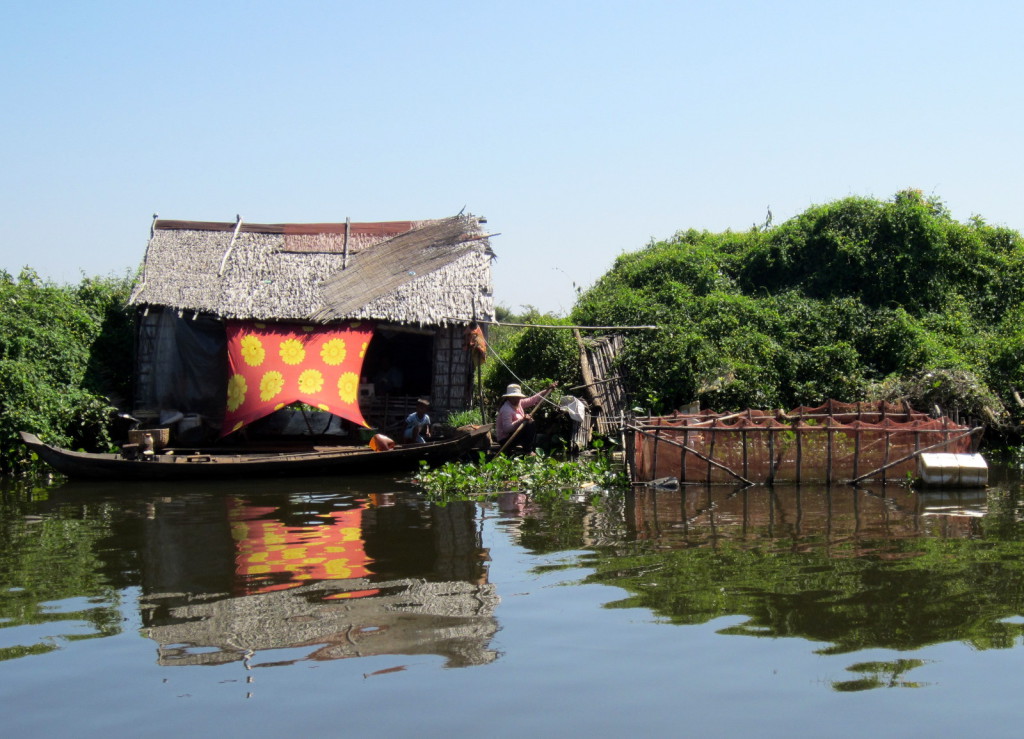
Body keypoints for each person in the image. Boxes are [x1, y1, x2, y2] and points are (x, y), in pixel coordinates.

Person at [495, 382, 555, 454]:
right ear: (509, 397)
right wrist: (522, 420)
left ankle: (530, 448)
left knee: (531, 422)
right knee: (528, 423)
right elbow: (507, 429)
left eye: (518, 397)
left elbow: (532, 400)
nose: (516, 400)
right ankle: (527, 450)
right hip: (506, 440)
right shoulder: (506, 409)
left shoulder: (518, 403)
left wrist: (546, 391)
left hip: (515, 436)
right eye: (514, 398)